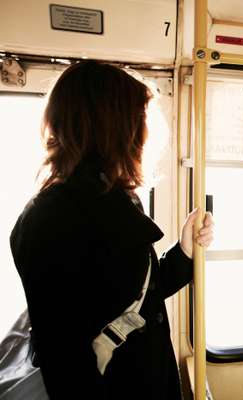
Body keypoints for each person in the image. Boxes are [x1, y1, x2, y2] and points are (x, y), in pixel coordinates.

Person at [9, 61, 214, 400]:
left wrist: (185, 249)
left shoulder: (113, 198)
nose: (146, 135)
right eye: (139, 121)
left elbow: (133, 299)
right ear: (112, 127)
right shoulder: (51, 219)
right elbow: (66, 364)